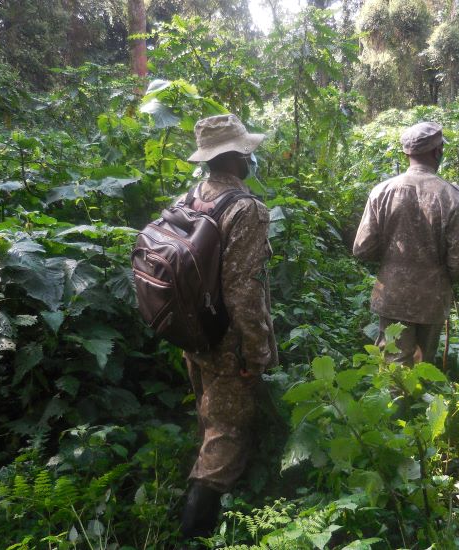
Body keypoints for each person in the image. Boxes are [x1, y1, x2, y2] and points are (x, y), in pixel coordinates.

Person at [180, 114, 278, 540]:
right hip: (228, 342)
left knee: (209, 419)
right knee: (226, 436)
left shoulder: (191, 196)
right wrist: (256, 352)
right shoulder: (247, 209)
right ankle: (194, 534)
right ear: (238, 157)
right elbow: (242, 290)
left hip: (193, 332)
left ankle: (198, 507)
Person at [353, 121, 459, 366]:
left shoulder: (382, 191)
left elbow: (362, 248)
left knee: (392, 368)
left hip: (391, 296)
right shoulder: (452, 196)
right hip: (432, 300)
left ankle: (392, 404)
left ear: (407, 152)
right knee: (421, 369)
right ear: (437, 151)